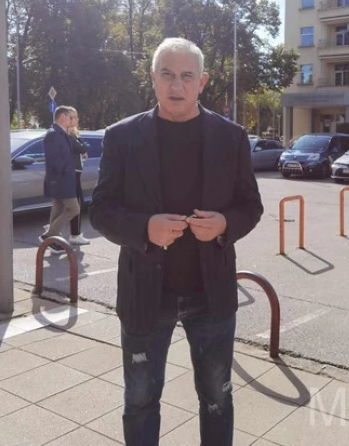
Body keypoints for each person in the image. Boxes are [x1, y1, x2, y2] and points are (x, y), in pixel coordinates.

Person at [89, 37, 263, 446]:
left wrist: (225, 223)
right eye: (167, 74)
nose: (176, 85)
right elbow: (100, 210)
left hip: (211, 294)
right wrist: (144, 228)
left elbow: (251, 206)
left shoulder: (231, 136)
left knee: (217, 398)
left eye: (187, 76)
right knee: (140, 401)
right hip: (146, 294)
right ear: (153, 78)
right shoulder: (122, 136)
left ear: (202, 81)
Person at [41, 105, 80, 252]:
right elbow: (55, 159)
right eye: (70, 117)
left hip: (62, 179)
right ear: (63, 117)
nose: (72, 120)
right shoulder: (53, 134)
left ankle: (53, 241)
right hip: (60, 179)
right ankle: (49, 235)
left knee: (58, 208)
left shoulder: (61, 133)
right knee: (74, 208)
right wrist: (64, 170)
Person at [67, 109, 90, 245]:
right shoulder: (68, 136)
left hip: (74, 174)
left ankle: (52, 228)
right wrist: (83, 150)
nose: (77, 119)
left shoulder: (74, 135)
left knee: (70, 205)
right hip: (72, 174)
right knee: (77, 204)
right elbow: (78, 147)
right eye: (75, 117)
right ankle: (74, 235)